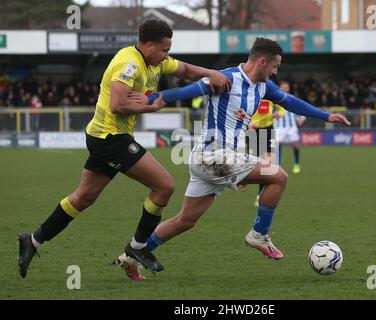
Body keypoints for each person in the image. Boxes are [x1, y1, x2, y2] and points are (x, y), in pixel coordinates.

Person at [16, 19, 230, 279]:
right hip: (111, 139)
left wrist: (212, 73)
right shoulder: (128, 64)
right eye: (163, 50)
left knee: (83, 198)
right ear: (148, 45)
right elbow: (117, 104)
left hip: (103, 137)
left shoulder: (155, 60)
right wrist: (150, 107)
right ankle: (138, 248)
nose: (167, 55)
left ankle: (33, 240)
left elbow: (184, 68)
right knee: (164, 186)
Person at [124, 37, 350, 278]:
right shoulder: (226, 78)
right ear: (262, 62)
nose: (275, 72)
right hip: (211, 157)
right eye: (275, 67)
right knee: (278, 176)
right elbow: (185, 91)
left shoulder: (263, 87)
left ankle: (132, 254)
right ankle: (259, 235)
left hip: (214, 161)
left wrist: (325, 116)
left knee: (186, 220)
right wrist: (148, 98)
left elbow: (291, 102)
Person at [248, 95, 285, 207]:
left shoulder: (270, 95)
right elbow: (240, 111)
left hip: (268, 130)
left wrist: (279, 114)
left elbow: (282, 108)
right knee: (256, 164)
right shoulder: (250, 95)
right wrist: (248, 122)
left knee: (267, 165)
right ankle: (241, 182)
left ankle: (260, 195)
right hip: (253, 131)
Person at [275, 81, 305, 174]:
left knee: (295, 145)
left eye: (286, 87)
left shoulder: (292, 98)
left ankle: (296, 164)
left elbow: (301, 109)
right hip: (279, 126)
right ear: (280, 88)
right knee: (278, 145)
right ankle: (278, 166)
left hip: (292, 127)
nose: (285, 88)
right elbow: (269, 111)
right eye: (283, 87)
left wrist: (301, 118)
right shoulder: (275, 98)